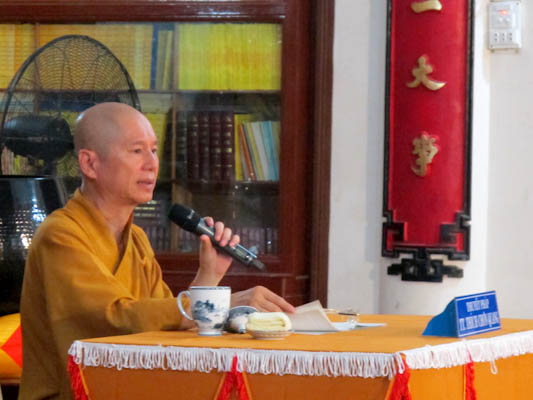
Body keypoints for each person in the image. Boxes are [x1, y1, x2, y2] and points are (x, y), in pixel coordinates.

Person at [19, 102, 295, 400]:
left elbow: (168, 326)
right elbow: (113, 320)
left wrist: (209, 275)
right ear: (90, 164)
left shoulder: (136, 238)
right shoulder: (61, 235)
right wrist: (219, 305)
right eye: (137, 151)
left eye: (153, 150)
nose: (152, 164)